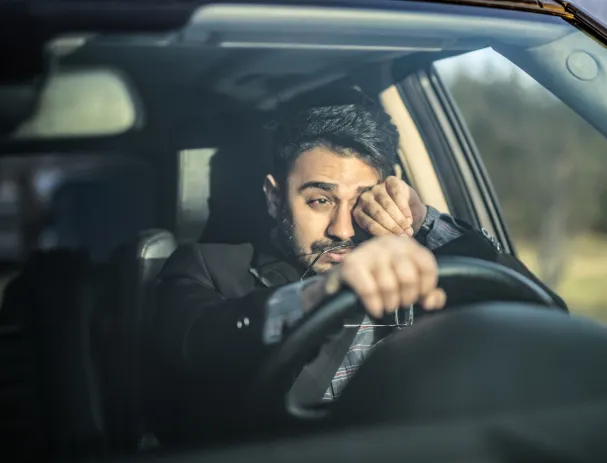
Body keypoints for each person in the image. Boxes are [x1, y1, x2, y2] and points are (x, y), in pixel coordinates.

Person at [147, 94, 566, 443]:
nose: (342, 229)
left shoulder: (425, 270)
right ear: (275, 198)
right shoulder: (210, 265)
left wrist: (426, 223)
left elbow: (546, 324)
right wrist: (316, 295)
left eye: (363, 201)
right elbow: (197, 341)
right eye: (320, 200)